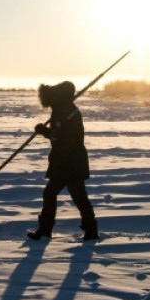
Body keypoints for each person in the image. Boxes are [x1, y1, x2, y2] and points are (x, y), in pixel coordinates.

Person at [27, 81, 98, 241]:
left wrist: (45, 131)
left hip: (69, 162)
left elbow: (62, 137)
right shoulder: (62, 109)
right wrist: (46, 131)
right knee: (76, 196)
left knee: (60, 194)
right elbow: (58, 134)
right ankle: (90, 230)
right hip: (68, 161)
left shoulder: (67, 111)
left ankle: (47, 230)